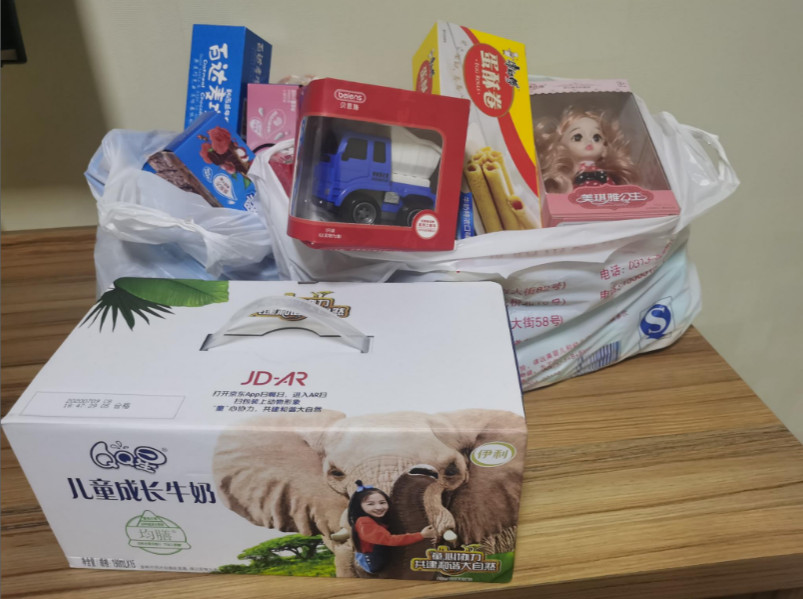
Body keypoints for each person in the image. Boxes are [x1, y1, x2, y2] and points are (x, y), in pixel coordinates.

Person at [534, 107, 638, 194]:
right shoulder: (568, 177)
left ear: (604, 149)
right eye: (577, 137)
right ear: (562, 147)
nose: (588, 141)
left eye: (596, 137)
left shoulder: (606, 176)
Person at [348, 480, 437, 574]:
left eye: (382, 502)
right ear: (359, 506)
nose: (379, 507)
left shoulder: (376, 518)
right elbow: (389, 540)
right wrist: (422, 535)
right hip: (372, 562)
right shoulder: (364, 522)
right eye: (370, 504)